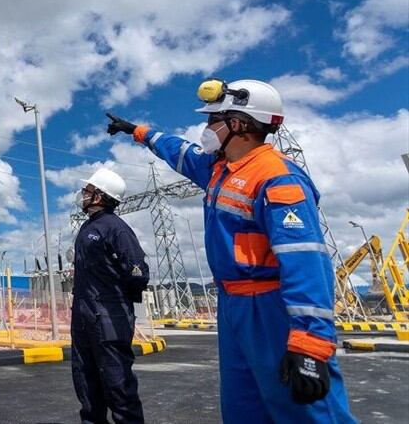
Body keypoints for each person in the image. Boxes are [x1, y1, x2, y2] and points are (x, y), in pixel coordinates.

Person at [106, 78, 355, 423]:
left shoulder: (277, 178)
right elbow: (178, 151)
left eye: (213, 120)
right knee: (244, 409)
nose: (206, 128)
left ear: (238, 124)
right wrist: (138, 131)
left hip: (271, 309)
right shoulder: (218, 169)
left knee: (305, 411)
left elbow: (306, 261)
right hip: (233, 305)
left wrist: (310, 343)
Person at [71, 168, 150, 424]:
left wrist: (117, 301)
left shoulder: (116, 229)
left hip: (108, 316)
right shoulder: (88, 226)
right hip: (84, 316)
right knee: (86, 382)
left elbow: (138, 272)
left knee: (118, 385)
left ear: (99, 197)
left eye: (88, 190)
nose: (82, 194)